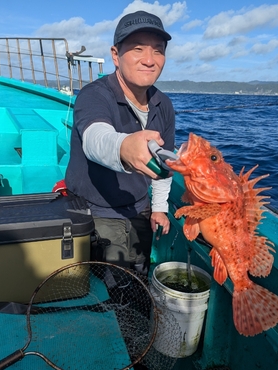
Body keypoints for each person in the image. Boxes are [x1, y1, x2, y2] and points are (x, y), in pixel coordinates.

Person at [65, 10, 175, 276]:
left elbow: (165, 166)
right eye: (138, 49)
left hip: (140, 208)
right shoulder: (94, 95)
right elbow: (95, 138)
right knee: (108, 285)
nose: (149, 60)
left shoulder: (164, 105)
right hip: (95, 212)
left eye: (158, 51)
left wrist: (159, 208)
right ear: (116, 55)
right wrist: (124, 147)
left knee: (137, 274)